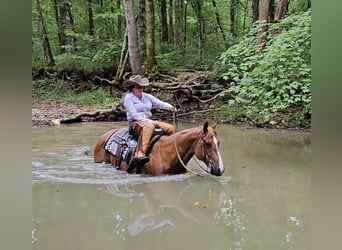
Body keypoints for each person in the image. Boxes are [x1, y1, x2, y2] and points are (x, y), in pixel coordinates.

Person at [123, 75, 177, 166]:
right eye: (138, 87)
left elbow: (159, 103)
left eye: (142, 87)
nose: (141, 89)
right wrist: (150, 122)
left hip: (148, 121)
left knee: (171, 128)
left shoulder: (146, 96)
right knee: (149, 127)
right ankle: (140, 153)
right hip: (135, 122)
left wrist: (170, 107)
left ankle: (172, 151)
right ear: (132, 88)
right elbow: (134, 115)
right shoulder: (128, 98)